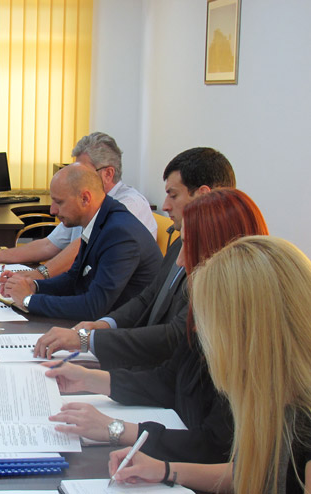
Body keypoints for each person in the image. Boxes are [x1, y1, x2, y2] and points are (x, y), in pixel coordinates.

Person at [43, 188, 269, 465]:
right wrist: (88, 379)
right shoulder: (208, 312)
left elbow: (216, 446)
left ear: (223, 253)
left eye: (190, 246)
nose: (181, 261)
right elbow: (168, 380)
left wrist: (116, 429)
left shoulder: (251, 339)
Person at [109, 236, 311, 494]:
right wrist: (166, 470)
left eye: (208, 325)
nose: (201, 335)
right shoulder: (270, 393)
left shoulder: (303, 426)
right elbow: (251, 474)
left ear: (248, 333)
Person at [34, 147, 236, 369]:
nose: (165, 205)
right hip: (145, 360)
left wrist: (87, 340)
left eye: (173, 195)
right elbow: (147, 298)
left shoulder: (225, 265)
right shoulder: (180, 242)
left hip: (158, 368)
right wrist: (105, 325)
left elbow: (174, 336)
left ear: (203, 195)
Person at [0, 132, 157, 281]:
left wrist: (37, 276)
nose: (76, 177)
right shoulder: (84, 204)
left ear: (108, 174)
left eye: (83, 171)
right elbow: (49, 244)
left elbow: (79, 249)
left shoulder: (129, 205)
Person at [2, 163, 162, 320]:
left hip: (128, 328)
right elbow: (74, 279)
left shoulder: (119, 233)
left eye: (59, 202)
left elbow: (94, 307)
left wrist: (28, 300)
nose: (52, 210)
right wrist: (34, 286)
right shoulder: (101, 219)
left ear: (85, 198)